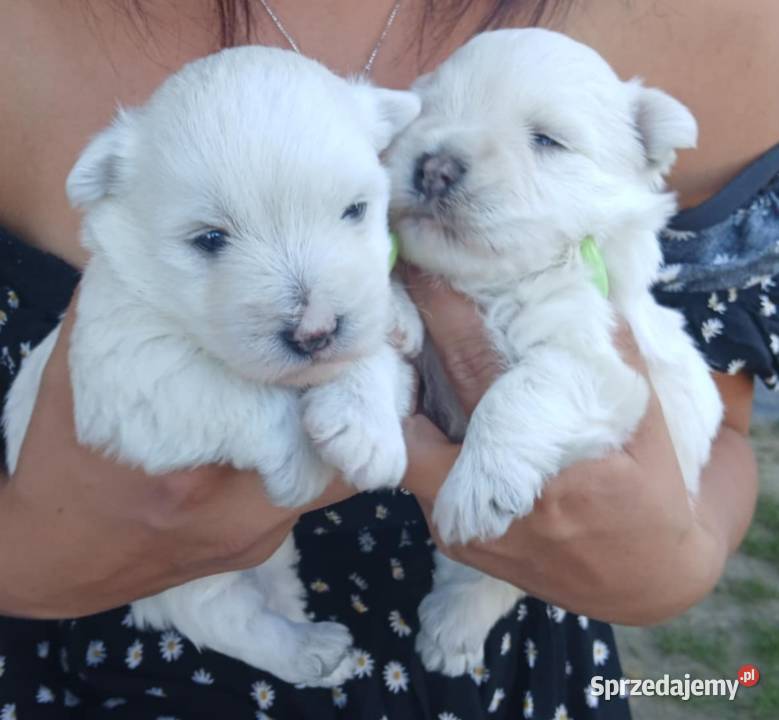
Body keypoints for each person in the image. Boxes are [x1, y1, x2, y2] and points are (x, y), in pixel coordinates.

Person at [0, 1, 776, 717]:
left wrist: (679, 561)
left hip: (499, 680)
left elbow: (714, 423)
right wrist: (26, 559)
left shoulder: (720, 25)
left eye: (543, 140)